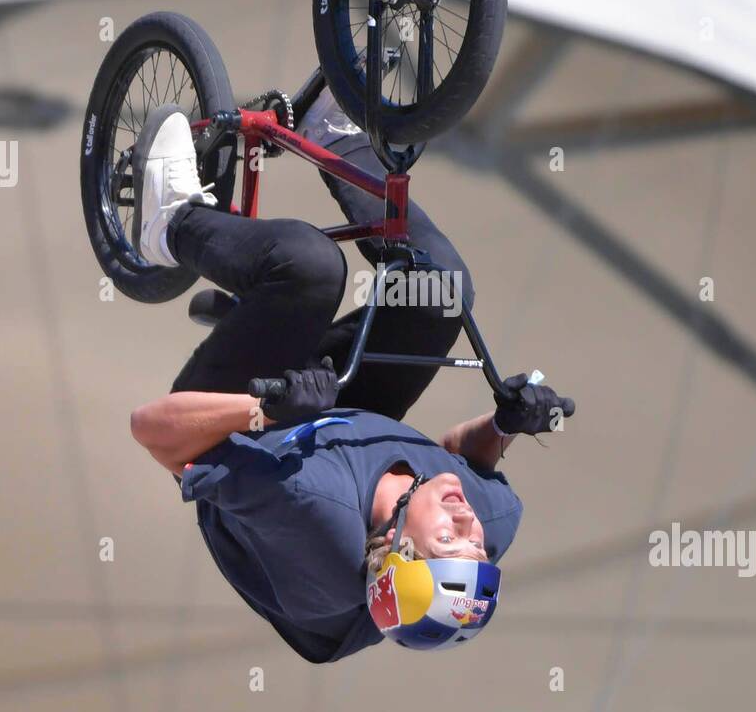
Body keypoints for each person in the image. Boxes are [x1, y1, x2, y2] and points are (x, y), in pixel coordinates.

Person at [128, 87, 575, 662]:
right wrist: (506, 422)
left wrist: (266, 410)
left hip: (242, 434)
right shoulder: (490, 520)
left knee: (309, 267)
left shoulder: (309, 506)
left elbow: (153, 432)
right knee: (442, 291)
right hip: (344, 419)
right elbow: (456, 456)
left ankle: (169, 224)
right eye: (475, 544)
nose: (465, 520)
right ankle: (336, 140)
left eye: (447, 536)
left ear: (392, 545)